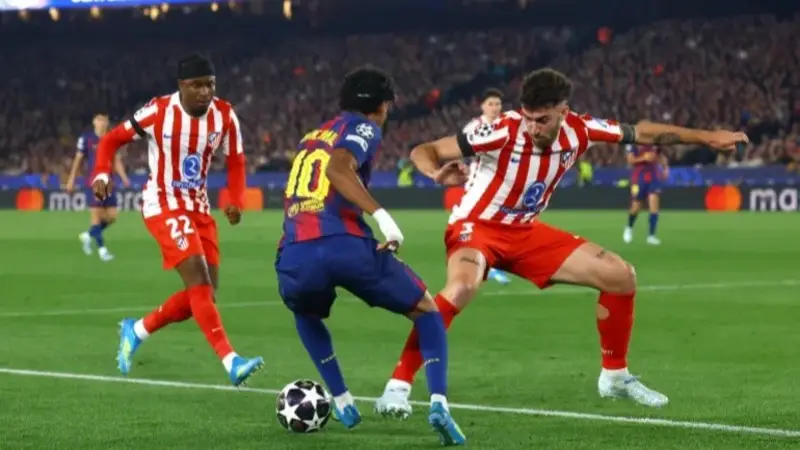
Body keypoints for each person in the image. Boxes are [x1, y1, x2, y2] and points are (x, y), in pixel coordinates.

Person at [374, 68, 748, 418]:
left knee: (620, 276)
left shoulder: (581, 129)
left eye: (542, 120)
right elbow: (424, 149)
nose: (533, 127)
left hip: (525, 232)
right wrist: (434, 173)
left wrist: (707, 137)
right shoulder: (502, 130)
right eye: (528, 118)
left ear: (563, 113)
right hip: (477, 227)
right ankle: (398, 386)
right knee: (461, 288)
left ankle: (615, 376)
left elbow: (643, 132)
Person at [275, 67, 465, 446]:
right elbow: (338, 168)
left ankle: (343, 401)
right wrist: (383, 218)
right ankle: (439, 404)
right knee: (427, 311)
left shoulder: (311, 136)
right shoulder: (363, 126)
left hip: (295, 251)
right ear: (381, 106)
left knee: (306, 313)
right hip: (344, 244)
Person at [91, 53, 263, 386]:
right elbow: (111, 139)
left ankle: (137, 330)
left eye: (210, 84)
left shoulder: (224, 115)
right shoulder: (158, 111)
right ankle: (232, 361)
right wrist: (101, 172)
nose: (205, 91)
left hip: (199, 207)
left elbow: (237, 161)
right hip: (163, 203)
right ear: (181, 86)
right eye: (197, 85)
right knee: (198, 281)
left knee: (205, 294)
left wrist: (235, 199)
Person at [462, 88, 511, 284]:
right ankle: (486, 265)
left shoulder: (506, 125)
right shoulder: (474, 126)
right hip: (480, 183)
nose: (495, 108)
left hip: (501, 183)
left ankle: (488, 264)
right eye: (490, 104)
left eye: (497, 104)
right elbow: (464, 150)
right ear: (482, 106)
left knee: (498, 225)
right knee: (481, 225)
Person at [66, 113, 131, 262]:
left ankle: (88, 235)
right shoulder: (86, 139)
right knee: (97, 216)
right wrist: (71, 179)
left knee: (112, 216)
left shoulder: (111, 138)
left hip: (109, 181)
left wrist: (124, 177)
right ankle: (102, 251)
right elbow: (78, 160)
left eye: (104, 120)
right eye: (99, 119)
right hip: (93, 181)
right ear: (94, 122)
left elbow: (116, 160)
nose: (102, 122)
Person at [623, 144, 669, 245]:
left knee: (654, 205)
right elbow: (630, 160)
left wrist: (666, 168)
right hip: (639, 177)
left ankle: (651, 236)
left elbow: (661, 156)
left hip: (653, 176)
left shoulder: (655, 142)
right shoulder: (633, 144)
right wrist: (644, 158)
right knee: (636, 207)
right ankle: (629, 228)